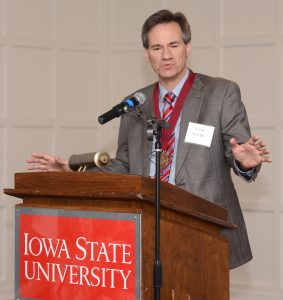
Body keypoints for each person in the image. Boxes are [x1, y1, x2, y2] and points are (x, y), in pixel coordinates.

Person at [27, 9, 272, 269]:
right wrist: (72, 168)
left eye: (173, 45)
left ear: (187, 47)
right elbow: (123, 166)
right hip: (149, 227)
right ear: (147, 54)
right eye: (157, 47)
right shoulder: (134, 104)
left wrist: (244, 163)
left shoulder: (220, 93)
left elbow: (238, 151)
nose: (166, 55)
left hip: (206, 228)